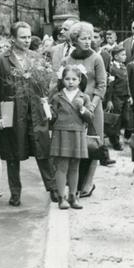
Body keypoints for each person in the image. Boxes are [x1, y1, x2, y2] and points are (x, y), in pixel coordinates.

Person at [0, 21, 56, 206]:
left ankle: (52, 188)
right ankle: (15, 193)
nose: (27, 40)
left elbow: (45, 85)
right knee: (13, 154)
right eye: (22, 37)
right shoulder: (0, 60)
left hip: (35, 110)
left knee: (43, 150)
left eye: (28, 37)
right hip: (12, 111)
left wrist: (46, 102)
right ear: (13, 39)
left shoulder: (37, 57)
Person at [61, 21, 107, 198]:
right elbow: (62, 83)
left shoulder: (97, 58)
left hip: (93, 107)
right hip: (73, 108)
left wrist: (93, 105)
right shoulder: (68, 59)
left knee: (93, 143)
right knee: (76, 145)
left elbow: (102, 85)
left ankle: (88, 183)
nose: (88, 41)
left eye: (90, 38)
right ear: (75, 40)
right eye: (83, 38)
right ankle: (74, 183)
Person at [49, 64, 93, 210]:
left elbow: (90, 117)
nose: (71, 82)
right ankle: (62, 197)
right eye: (67, 79)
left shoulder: (84, 97)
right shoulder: (57, 97)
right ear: (63, 80)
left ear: (80, 80)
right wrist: (46, 109)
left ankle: (73, 196)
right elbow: (52, 118)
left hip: (77, 133)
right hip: (61, 132)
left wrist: (82, 108)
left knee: (75, 166)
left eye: (74, 79)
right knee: (61, 166)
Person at [104, 44, 131, 151]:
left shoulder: (124, 66)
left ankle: (118, 137)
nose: (125, 56)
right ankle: (115, 141)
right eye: (123, 55)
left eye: (125, 54)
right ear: (116, 57)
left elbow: (127, 82)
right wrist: (109, 100)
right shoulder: (112, 69)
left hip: (124, 97)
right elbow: (111, 86)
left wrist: (129, 95)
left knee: (125, 118)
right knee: (115, 120)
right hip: (116, 97)